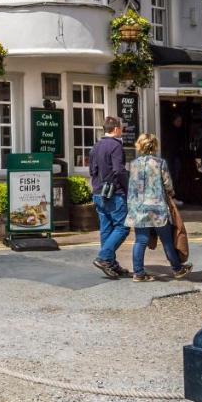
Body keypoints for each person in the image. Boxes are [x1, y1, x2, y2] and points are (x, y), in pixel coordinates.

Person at [126, 133, 191, 282]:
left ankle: (138, 274)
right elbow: (167, 184)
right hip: (158, 208)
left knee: (140, 241)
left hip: (139, 208)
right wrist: (171, 193)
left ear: (140, 145)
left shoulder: (134, 164)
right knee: (166, 240)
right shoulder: (160, 163)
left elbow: (132, 187)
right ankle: (177, 269)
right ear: (154, 146)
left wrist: (131, 206)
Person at [89, 115, 131, 279]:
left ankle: (111, 263)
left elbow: (92, 170)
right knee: (122, 227)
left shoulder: (96, 146)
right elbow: (119, 170)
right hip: (114, 193)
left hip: (98, 192)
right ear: (116, 129)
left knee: (106, 228)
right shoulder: (116, 146)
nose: (122, 130)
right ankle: (104, 257)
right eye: (121, 128)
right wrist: (127, 188)